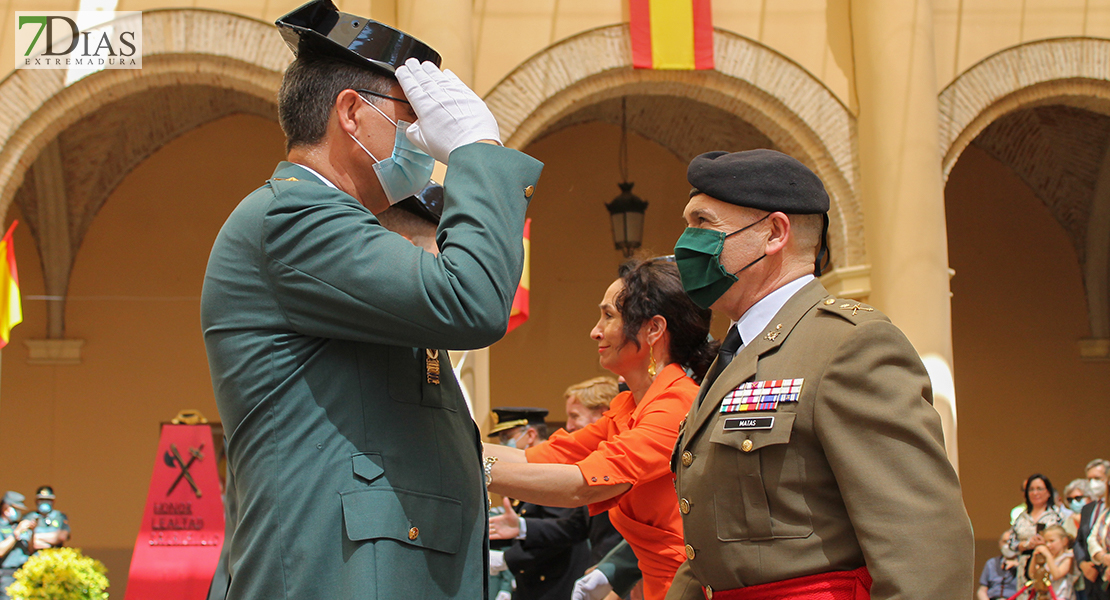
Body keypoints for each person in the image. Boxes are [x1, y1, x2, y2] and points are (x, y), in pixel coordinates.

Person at [199, 0, 542, 597]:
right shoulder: (295, 214)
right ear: (353, 113)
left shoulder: (328, 221)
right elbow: (474, 301)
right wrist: (476, 152)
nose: (424, 141)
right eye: (410, 119)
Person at [665, 149, 974, 599]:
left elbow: (923, 547)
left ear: (774, 233)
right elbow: (714, 554)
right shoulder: (736, 354)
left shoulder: (850, 346)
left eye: (702, 223)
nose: (685, 242)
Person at [485, 258, 718, 600]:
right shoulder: (630, 406)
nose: (595, 330)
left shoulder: (676, 403)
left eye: (609, 316)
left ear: (653, 329)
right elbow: (543, 458)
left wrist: (472, 471)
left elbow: (584, 486)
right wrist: (450, 446)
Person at [487, 407, 592, 600]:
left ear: (531, 434)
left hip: (556, 583)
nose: (503, 443)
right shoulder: (528, 469)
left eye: (506, 436)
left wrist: (507, 559)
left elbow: (562, 531)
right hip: (533, 581)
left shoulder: (551, 468)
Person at [1009, 474, 1071, 588]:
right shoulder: (1021, 517)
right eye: (1031, 489)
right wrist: (1027, 544)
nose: (1035, 493)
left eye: (1039, 489)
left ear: (1048, 492)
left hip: (1050, 564)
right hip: (1025, 566)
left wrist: (1046, 543)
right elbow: (1011, 543)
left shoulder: (1058, 515)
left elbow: (1067, 540)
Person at [1075, 478, 1108, 600]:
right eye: (1089, 478)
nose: (1093, 482)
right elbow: (1090, 540)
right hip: (1094, 573)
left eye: (1098, 478)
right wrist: (1083, 563)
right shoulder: (1104, 513)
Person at [0, 492, 34, 600]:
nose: (19, 512)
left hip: (24, 573)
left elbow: (31, 549)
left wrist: (33, 532)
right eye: (16, 508)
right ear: (6, 508)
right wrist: (16, 534)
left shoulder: (18, 525)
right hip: (6, 575)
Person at [1031, 525, 1078, 600]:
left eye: (1051, 541)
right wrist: (1034, 557)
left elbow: (1056, 575)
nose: (1048, 545)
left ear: (1064, 541)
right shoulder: (1048, 558)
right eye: (1046, 542)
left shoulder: (1067, 557)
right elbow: (1032, 575)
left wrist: (1048, 555)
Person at [977, 531, 1018, 600]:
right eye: (1005, 541)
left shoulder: (1024, 565)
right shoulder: (991, 563)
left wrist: (1018, 565)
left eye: (1011, 542)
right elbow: (982, 590)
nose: (1008, 545)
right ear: (1000, 543)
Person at [27, 485, 69, 551]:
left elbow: (62, 536)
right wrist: (52, 538)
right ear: (36, 501)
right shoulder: (29, 516)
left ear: (53, 501)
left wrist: (37, 537)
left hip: (56, 555)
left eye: (48, 499)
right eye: (41, 499)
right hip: (35, 556)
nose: (44, 502)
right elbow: (29, 541)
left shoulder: (60, 516)